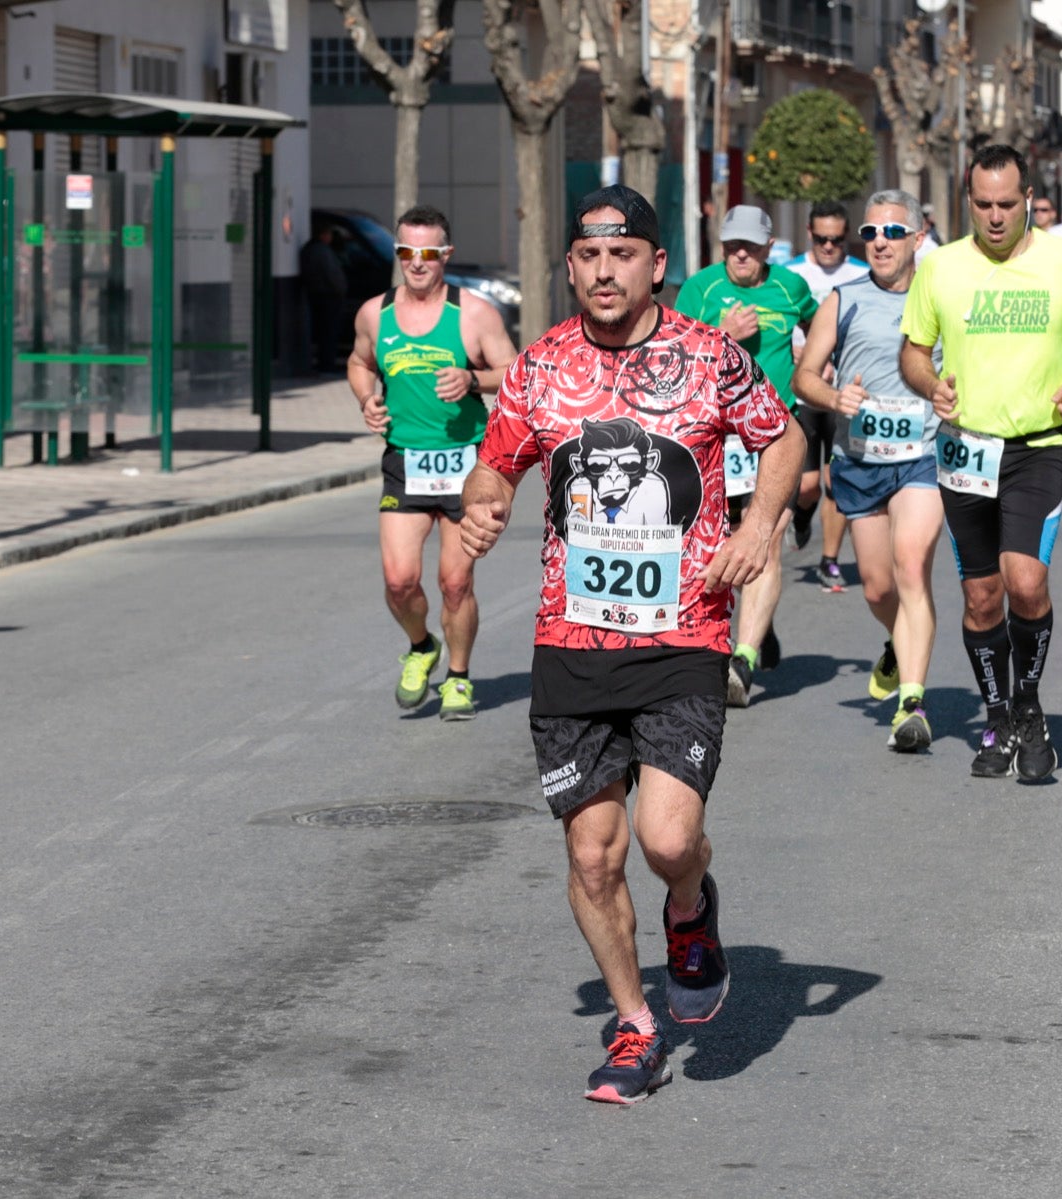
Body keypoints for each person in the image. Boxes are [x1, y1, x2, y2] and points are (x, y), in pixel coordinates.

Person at [459, 184, 804, 1105]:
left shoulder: (709, 356)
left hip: (684, 628)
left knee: (664, 837)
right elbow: (496, 459)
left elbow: (783, 436)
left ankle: (690, 906)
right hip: (571, 641)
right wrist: (483, 504)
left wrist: (762, 523)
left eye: (623, 255)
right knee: (592, 855)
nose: (604, 271)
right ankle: (635, 1025)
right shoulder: (540, 367)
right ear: (570, 266)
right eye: (588, 256)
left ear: (656, 265)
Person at [898, 144, 1062, 782]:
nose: (995, 217)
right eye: (983, 205)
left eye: (1007, 204)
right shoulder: (939, 267)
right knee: (980, 596)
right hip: (967, 448)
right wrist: (928, 384)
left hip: (1038, 445)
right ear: (967, 202)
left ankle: (1027, 701)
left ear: (1027, 199)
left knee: (1025, 583)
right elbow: (914, 351)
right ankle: (998, 716)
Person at [348, 204, 517, 720]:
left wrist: (472, 379)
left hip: (467, 463)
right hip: (405, 459)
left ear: (446, 254)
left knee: (454, 582)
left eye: (428, 253)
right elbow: (359, 362)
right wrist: (366, 398)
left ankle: (459, 678)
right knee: (400, 580)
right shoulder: (375, 314)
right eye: (406, 252)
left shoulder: (473, 313)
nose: (416, 263)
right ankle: (422, 645)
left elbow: (513, 372)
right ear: (398, 253)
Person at [792, 190, 945, 752]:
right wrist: (834, 398)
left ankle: (911, 702)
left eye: (893, 233)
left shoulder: (941, 295)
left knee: (911, 565)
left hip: (924, 455)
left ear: (918, 238)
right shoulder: (842, 298)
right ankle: (895, 643)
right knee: (878, 587)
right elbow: (804, 376)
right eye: (871, 233)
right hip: (860, 459)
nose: (879, 242)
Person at [674, 204, 818, 706]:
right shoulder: (701, 290)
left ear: (768, 246)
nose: (740, 254)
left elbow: (822, 328)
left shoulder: (791, 288)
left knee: (766, 538)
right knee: (721, 541)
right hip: (714, 435)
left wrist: (812, 356)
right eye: (732, 245)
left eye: (750, 246)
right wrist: (723, 337)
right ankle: (754, 623)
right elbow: (670, 355)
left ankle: (744, 659)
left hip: (774, 437)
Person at [786, 199, 869, 592]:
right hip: (802, 394)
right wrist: (796, 351)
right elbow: (775, 328)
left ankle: (830, 559)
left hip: (844, 394)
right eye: (822, 240)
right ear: (809, 234)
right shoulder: (790, 276)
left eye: (837, 240)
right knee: (806, 485)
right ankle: (803, 516)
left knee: (838, 481)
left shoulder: (862, 274)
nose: (830, 247)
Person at [301, 224, 349, 374]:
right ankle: (327, 364)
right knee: (329, 332)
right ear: (323, 235)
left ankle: (324, 362)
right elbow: (332, 275)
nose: (331, 238)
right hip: (328, 297)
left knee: (323, 332)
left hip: (318, 295)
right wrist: (341, 291)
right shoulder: (322, 251)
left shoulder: (310, 249)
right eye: (328, 234)